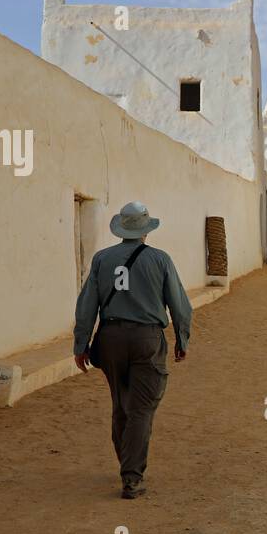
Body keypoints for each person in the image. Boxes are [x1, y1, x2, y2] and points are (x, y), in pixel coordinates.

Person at [73, 201, 192, 499]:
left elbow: (87, 305)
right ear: (145, 231)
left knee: (120, 404)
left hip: (110, 338)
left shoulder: (102, 259)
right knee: (141, 408)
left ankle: (127, 463)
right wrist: (182, 338)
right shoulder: (160, 260)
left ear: (121, 228)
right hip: (146, 340)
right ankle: (132, 477)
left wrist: (81, 344)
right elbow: (179, 304)